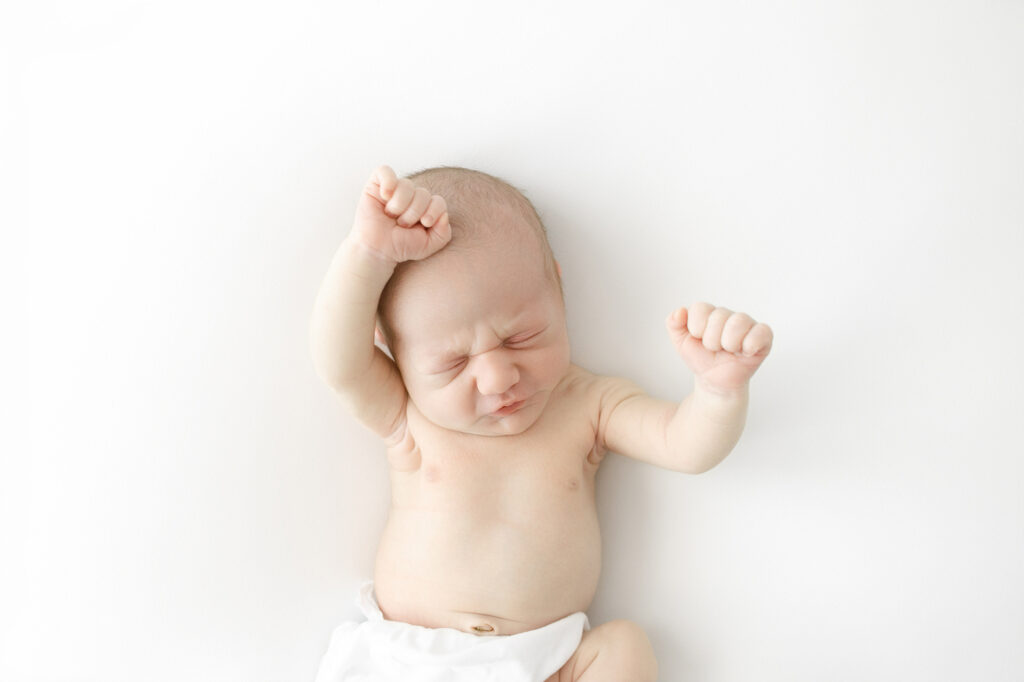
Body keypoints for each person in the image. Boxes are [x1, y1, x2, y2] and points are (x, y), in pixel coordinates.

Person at [309, 164, 773, 681]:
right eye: (453, 363)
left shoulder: (590, 404)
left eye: (519, 338)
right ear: (393, 351)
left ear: (557, 287)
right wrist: (367, 255)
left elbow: (686, 446)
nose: (497, 378)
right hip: (410, 659)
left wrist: (717, 390)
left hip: (545, 664)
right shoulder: (410, 415)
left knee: (624, 647)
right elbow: (339, 363)